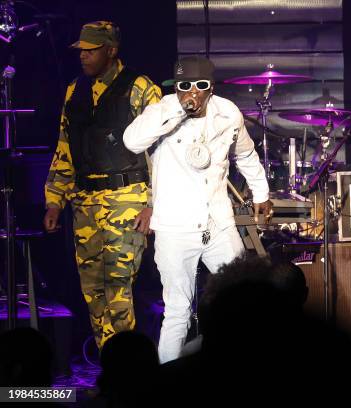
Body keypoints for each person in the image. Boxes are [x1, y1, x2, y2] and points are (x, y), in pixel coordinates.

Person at [123, 55, 273, 363]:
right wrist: (178, 109)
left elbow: (245, 155)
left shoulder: (227, 113)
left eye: (200, 85)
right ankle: (167, 385)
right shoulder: (163, 109)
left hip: (218, 223)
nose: (192, 91)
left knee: (241, 300)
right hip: (175, 228)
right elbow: (132, 141)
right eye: (184, 85)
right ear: (175, 87)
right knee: (178, 310)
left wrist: (261, 193)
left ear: (211, 88)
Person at [43, 21, 161, 349]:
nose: (84, 56)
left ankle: (124, 374)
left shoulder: (140, 88)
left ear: (111, 50)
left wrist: (154, 204)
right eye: (82, 49)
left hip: (127, 196)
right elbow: (65, 147)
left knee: (118, 289)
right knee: (93, 292)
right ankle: (111, 366)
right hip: (85, 202)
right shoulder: (74, 90)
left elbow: (160, 151)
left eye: (92, 50)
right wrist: (55, 199)